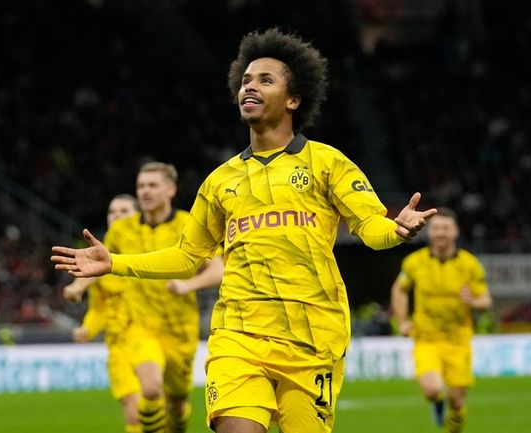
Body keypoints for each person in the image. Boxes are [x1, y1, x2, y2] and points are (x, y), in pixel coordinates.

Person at [52, 27, 436, 433]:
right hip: (239, 332)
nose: (249, 86)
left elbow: (369, 226)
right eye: (246, 80)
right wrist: (115, 262)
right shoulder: (221, 180)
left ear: (293, 99)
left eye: (265, 80)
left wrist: (396, 231)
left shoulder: (327, 163)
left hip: (313, 334)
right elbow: (187, 256)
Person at [65, 164, 224, 433]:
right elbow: (103, 264)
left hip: (179, 330)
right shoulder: (121, 230)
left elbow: (219, 268)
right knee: (150, 389)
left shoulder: (188, 223)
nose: (145, 191)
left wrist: (190, 285)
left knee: (176, 405)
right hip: (140, 328)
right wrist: (79, 286)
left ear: (171, 189)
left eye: (152, 185)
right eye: (141, 186)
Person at [390, 208, 492, 433]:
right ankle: (437, 402)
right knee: (432, 389)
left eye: (445, 228)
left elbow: (485, 300)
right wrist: (403, 320)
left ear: (455, 232)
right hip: (426, 338)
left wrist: (472, 302)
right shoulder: (415, 262)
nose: (440, 233)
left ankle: (452, 427)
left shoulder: (469, 264)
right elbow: (400, 289)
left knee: (457, 402)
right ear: (429, 232)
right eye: (436, 228)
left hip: (458, 340)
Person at [63, 194, 142, 433]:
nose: (116, 215)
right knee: (132, 405)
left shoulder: (151, 249)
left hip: (152, 336)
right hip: (119, 344)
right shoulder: (95, 256)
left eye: (124, 211)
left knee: (157, 405)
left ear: (138, 216)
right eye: (112, 211)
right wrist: (88, 328)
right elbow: (99, 307)